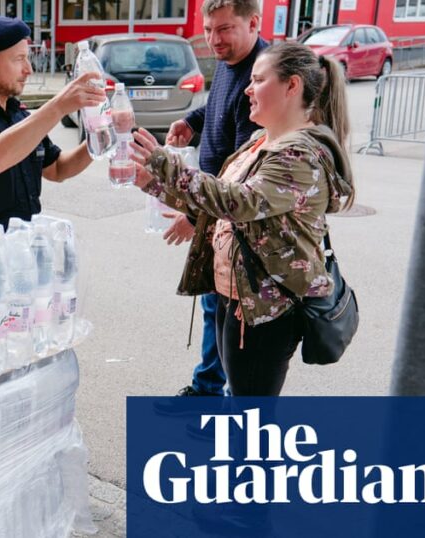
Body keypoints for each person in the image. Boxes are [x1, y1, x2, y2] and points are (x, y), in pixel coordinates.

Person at [130, 42, 355, 396]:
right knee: (240, 395)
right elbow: (219, 201)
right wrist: (154, 184)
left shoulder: (299, 154)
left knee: (251, 409)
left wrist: (164, 163)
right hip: (237, 295)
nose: (247, 89)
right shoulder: (260, 141)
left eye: (259, 80)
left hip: (267, 305)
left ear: (291, 86)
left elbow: (240, 202)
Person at [160, 0, 268, 400]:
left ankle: (221, 400)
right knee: (215, 306)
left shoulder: (262, 74)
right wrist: (191, 122)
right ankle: (207, 387)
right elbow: (217, 105)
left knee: (230, 314)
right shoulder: (229, 63)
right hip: (216, 207)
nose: (212, 40)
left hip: (233, 215)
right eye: (208, 30)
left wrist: (197, 215)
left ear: (253, 22)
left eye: (223, 29)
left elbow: (244, 168)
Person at [0, 16, 105, 228]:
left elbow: (58, 169)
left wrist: (100, 137)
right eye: (19, 59)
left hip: (27, 249)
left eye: (28, 58)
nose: (29, 69)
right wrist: (58, 106)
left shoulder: (21, 117)